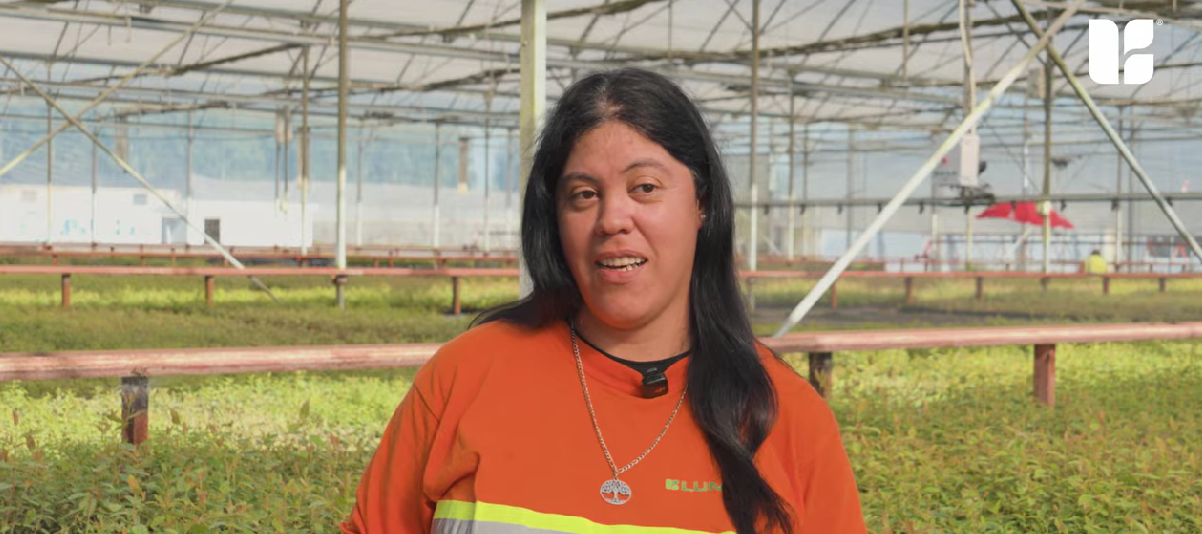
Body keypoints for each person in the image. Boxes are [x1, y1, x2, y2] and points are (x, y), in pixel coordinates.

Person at [341, 68, 866, 534]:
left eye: (644, 188)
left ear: (702, 204)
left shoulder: (788, 417)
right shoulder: (467, 375)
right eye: (583, 195)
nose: (612, 219)